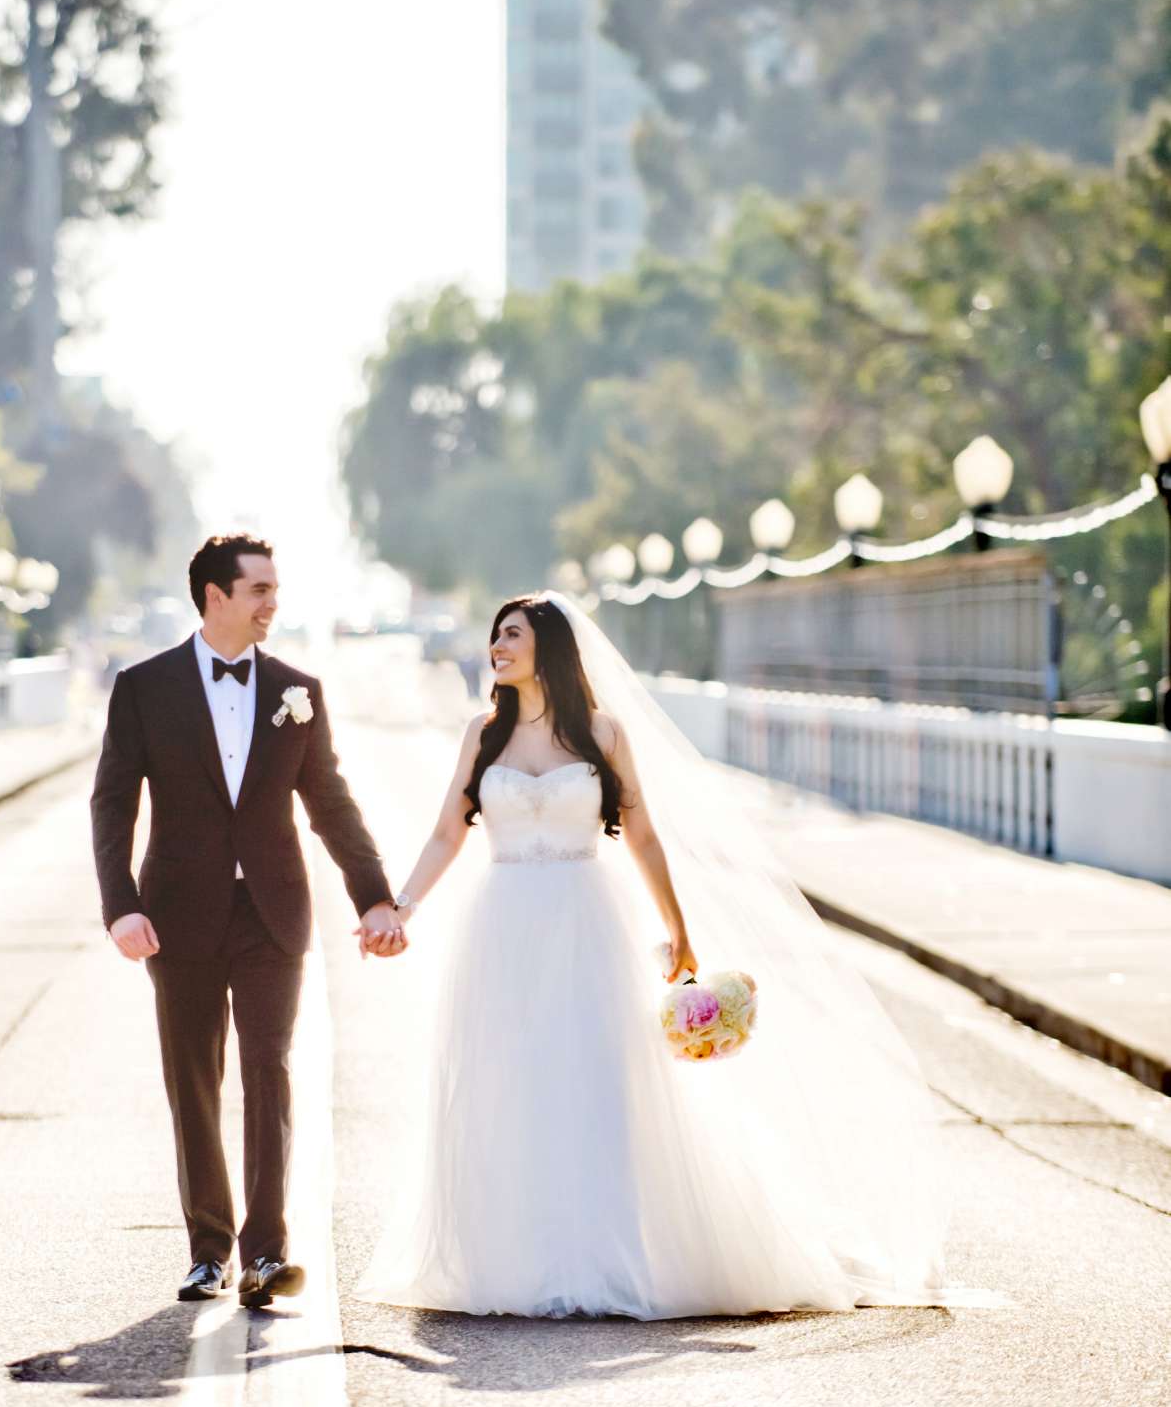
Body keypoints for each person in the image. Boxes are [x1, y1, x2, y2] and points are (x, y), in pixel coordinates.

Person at [359, 591, 962, 1322]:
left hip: (586, 921)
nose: (497, 646)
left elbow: (641, 837)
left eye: (511, 634)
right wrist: (403, 904)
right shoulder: (481, 735)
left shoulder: (604, 735)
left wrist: (677, 929)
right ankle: (515, 1258)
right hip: (502, 925)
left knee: (595, 1081)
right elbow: (445, 834)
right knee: (507, 1078)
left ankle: (607, 1255)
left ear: (547, 648)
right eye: (495, 635)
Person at [91, 533, 407, 1309]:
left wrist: (371, 895)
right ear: (215, 596)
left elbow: (329, 803)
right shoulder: (143, 687)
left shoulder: (298, 691)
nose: (273, 602)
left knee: (269, 1072)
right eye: (259, 589)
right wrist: (120, 904)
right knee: (193, 1081)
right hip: (176, 917)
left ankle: (266, 1253)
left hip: (272, 914)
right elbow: (112, 802)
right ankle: (208, 1250)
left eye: (275, 587)